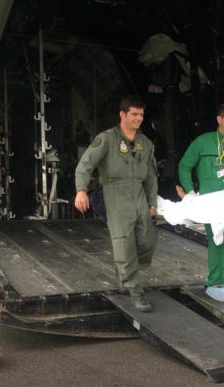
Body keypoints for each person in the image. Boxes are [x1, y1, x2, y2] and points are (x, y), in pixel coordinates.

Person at [75, 95, 159, 312]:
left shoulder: (145, 143)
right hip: (115, 193)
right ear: (123, 114)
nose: (139, 118)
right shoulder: (107, 139)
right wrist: (81, 190)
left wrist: (152, 203)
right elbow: (85, 165)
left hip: (138, 194)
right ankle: (134, 290)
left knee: (148, 240)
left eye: (141, 114)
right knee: (124, 242)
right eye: (134, 114)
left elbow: (151, 176)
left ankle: (125, 271)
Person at [178, 104, 224, 303]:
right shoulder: (202, 142)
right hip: (210, 203)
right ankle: (214, 284)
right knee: (218, 238)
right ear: (219, 119)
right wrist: (190, 193)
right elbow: (185, 166)